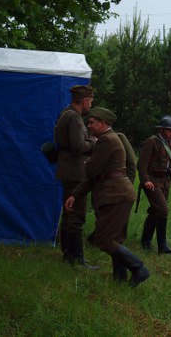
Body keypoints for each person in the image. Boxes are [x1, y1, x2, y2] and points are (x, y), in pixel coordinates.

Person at [65, 107, 150, 287]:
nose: (89, 126)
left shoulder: (106, 140)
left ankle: (138, 268)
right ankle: (119, 279)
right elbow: (94, 177)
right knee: (115, 240)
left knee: (103, 240)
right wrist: (75, 195)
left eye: (92, 122)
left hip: (115, 195)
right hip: (119, 194)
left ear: (103, 123)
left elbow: (90, 171)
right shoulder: (109, 139)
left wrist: (87, 160)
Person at [55, 84, 97, 266]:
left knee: (68, 213)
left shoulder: (66, 113)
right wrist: (93, 142)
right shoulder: (74, 117)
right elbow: (79, 146)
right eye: (91, 102)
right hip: (75, 172)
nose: (91, 105)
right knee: (76, 215)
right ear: (85, 101)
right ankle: (76, 257)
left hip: (68, 170)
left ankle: (68, 254)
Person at [136, 115, 171, 254]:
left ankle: (146, 241)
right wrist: (145, 180)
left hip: (165, 182)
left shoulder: (170, 142)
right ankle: (162, 244)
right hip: (152, 181)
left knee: (156, 211)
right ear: (161, 130)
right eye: (169, 130)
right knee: (163, 210)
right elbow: (141, 164)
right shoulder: (152, 142)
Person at [86, 131, 136, 246]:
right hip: (100, 184)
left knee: (119, 218)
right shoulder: (95, 140)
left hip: (119, 184)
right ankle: (100, 239)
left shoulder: (118, 137)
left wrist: (127, 183)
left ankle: (114, 242)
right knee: (101, 214)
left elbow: (131, 163)